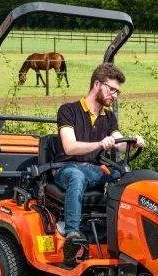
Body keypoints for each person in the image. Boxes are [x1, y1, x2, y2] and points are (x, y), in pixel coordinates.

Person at [54, 62, 145, 264]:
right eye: (112, 89)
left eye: (117, 92)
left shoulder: (109, 117)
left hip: (96, 170)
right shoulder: (69, 111)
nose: (114, 95)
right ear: (97, 84)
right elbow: (69, 147)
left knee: (127, 177)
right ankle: (72, 236)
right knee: (76, 177)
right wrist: (99, 144)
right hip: (67, 168)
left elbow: (119, 144)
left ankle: (127, 236)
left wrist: (133, 143)